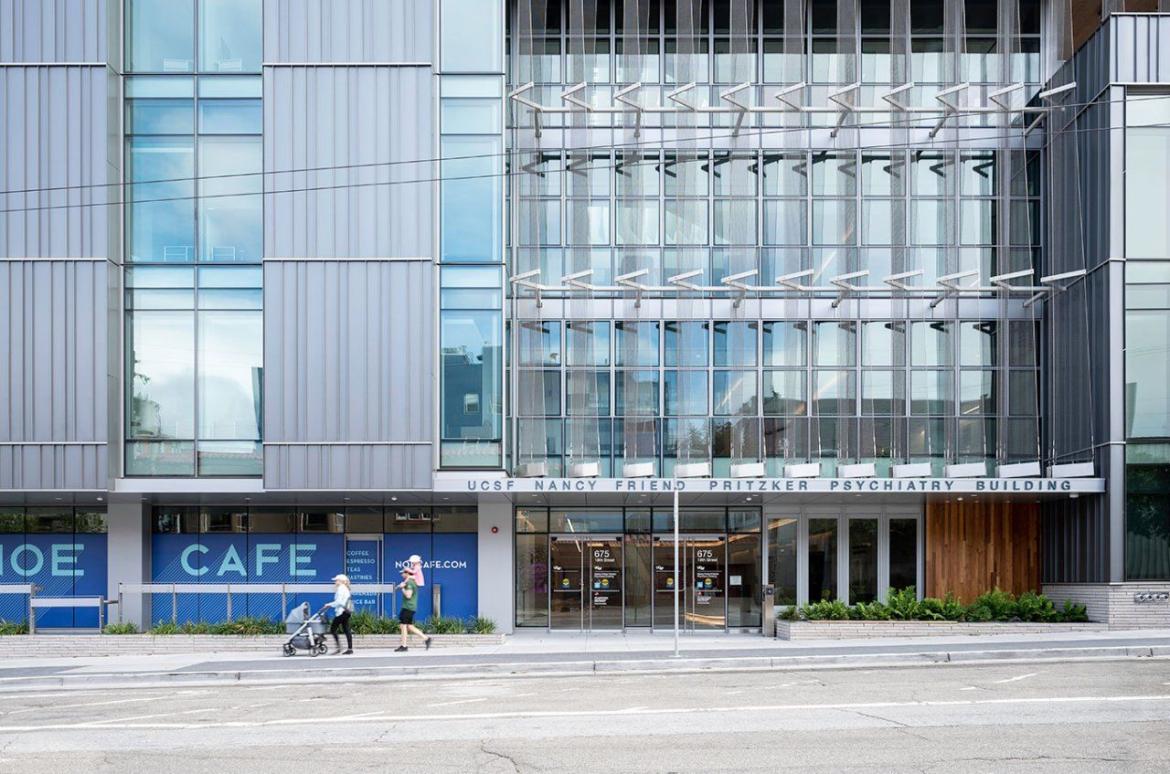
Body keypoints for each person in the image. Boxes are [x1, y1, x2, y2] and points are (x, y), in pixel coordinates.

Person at [394, 565, 432, 652]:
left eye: (403, 573)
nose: (401, 574)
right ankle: (426, 638)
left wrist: (402, 588)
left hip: (408, 607)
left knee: (403, 625)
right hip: (410, 607)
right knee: (409, 626)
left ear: (407, 573)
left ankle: (404, 646)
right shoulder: (411, 581)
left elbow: (408, 595)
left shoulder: (410, 583)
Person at [326, 573, 354, 655]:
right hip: (346, 612)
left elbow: (339, 602)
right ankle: (350, 648)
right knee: (346, 629)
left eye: (336, 580)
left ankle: (339, 648)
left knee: (333, 629)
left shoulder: (341, 588)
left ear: (341, 581)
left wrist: (329, 604)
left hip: (342, 612)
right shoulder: (345, 588)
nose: (335, 582)